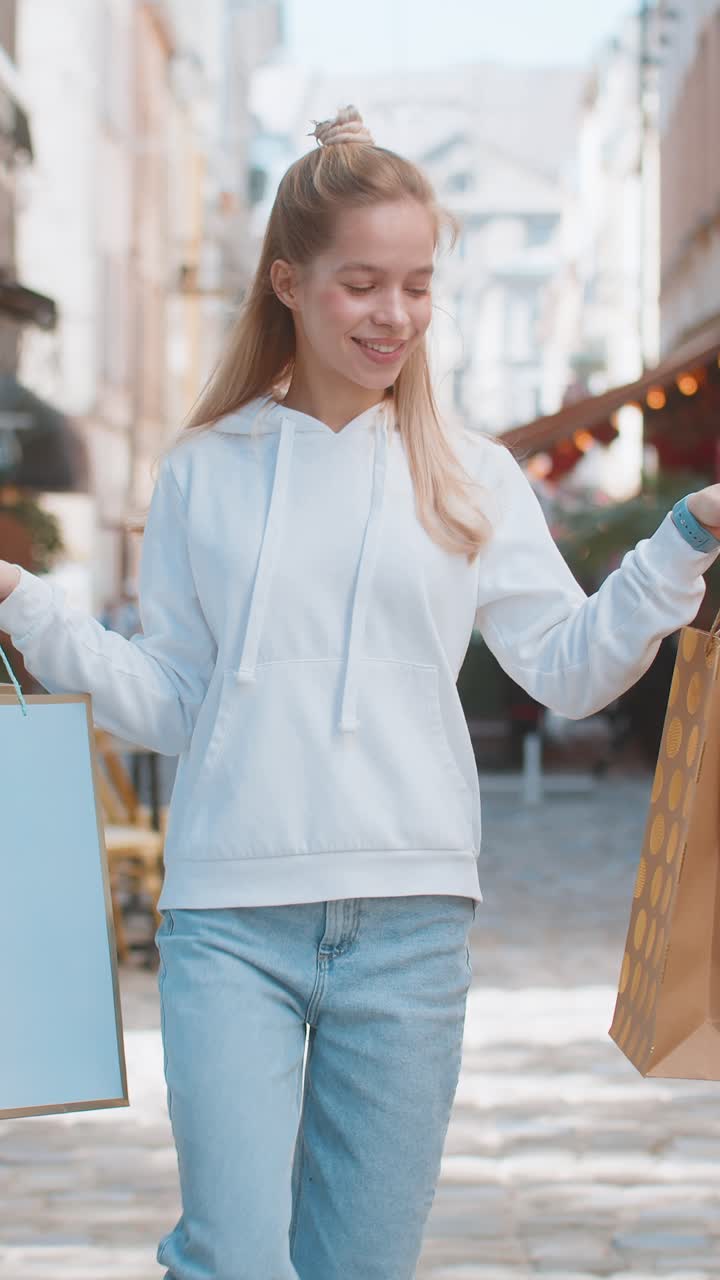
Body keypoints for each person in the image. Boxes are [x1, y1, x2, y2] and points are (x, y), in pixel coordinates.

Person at [1, 104, 720, 1279]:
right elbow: (179, 699)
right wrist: (29, 607)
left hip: (411, 920)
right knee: (232, 1255)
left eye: (418, 285)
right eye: (362, 283)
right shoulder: (204, 470)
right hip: (230, 918)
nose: (395, 314)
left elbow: (573, 667)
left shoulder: (470, 472)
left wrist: (680, 539)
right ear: (288, 280)